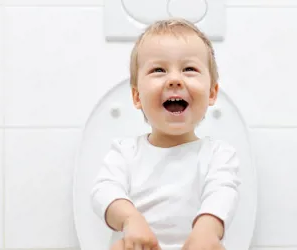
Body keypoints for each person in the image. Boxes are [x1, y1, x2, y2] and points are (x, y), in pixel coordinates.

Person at [90, 18, 241, 250]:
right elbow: (104, 191)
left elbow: (221, 194)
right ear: (137, 97)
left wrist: (207, 230)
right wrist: (130, 220)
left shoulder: (219, 155)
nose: (174, 80)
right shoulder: (125, 153)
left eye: (189, 69)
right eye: (158, 70)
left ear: (212, 93)